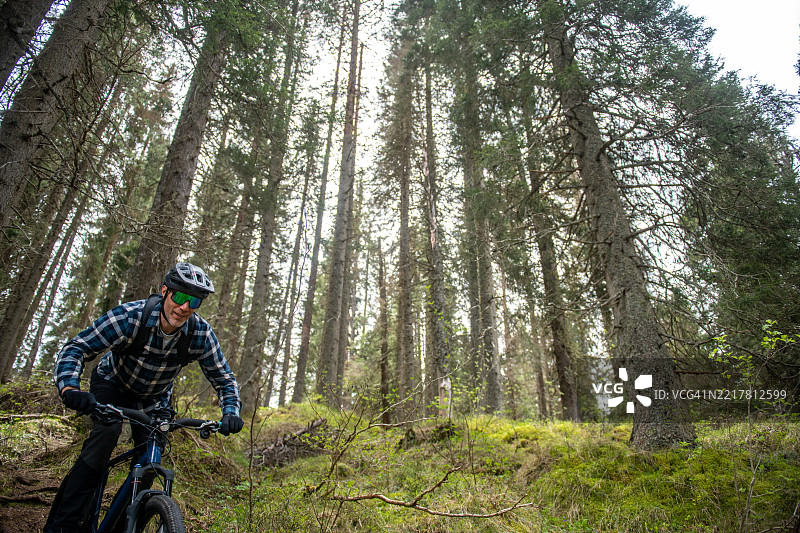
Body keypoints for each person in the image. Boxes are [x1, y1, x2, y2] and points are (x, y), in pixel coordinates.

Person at [44, 262, 243, 533]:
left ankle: (122, 525)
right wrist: (70, 389)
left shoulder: (200, 334)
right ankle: (63, 525)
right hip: (112, 384)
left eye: (193, 301)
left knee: (150, 459)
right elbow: (77, 348)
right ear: (164, 292)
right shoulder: (130, 317)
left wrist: (231, 412)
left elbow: (224, 379)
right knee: (106, 434)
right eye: (180, 297)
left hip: (155, 399)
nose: (184, 307)